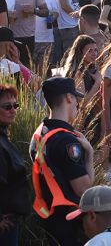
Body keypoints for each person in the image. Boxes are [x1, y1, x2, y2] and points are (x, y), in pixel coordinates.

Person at [30, 77, 94, 246]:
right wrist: (90, 154)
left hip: (51, 218)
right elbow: (84, 190)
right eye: (75, 99)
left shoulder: (39, 135)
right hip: (72, 222)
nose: (77, 104)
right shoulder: (67, 141)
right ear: (68, 98)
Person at [0, 84, 30, 245]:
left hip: (11, 221)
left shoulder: (4, 138)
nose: (13, 110)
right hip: (5, 225)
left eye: (15, 105)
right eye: (7, 107)